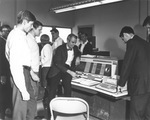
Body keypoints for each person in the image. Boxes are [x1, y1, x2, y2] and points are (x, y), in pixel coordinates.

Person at [5, 10, 36, 120]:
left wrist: (30, 72)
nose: (32, 27)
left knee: (30, 104)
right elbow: (15, 65)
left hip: (25, 72)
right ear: (24, 22)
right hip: (19, 74)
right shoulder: (16, 37)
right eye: (31, 24)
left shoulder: (21, 35)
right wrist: (22, 89)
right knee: (20, 110)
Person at [117, 26, 150, 120]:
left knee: (136, 115)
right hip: (148, 85)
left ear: (126, 35)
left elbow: (127, 64)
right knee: (147, 115)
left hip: (139, 86)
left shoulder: (132, 43)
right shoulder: (145, 42)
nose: (124, 42)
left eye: (123, 39)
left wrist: (121, 83)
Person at [46, 33, 81, 119]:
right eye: (72, 42)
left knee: (68, 88)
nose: (73, 44)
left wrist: (78, 57)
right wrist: (70, 72)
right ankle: (49, 114)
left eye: (75, 42)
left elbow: (79, 52)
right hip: (58, 69)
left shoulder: (75, 48)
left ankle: (67, 111)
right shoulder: (60, 49)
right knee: (52, 91)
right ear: (67, 41)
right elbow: (57, 63)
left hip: (67, 69)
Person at [26, 20, 43, 118]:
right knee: (33, 96)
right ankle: (31, 116)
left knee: (35, 95)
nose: (41, 32)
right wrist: (32, 73)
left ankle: (33, 115)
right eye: (39, 29)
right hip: (32, 72)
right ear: (33, 28)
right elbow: (26, 59)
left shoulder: (32, 39)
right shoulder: (28, 39)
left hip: (35, 70)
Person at [0, 24, 12, 120]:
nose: (7, 32)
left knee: (7, 93)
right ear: (1, 32)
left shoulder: (7, 41)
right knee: (3, 94)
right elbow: (2, 60)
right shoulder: (1, 42)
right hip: (3, 73)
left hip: (8, 72)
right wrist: (2, 74)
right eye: (5, 31)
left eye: (8, 30)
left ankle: (5, 111)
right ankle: (2, 115)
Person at [40, 34, 53, 119]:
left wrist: (41, 63)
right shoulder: (49, 46)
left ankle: (46, 103)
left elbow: (47, 58)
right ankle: (46, 102)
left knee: (45, 85)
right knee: (46, 85)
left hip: (46, 67)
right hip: (47, 66)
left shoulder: (46, 47)